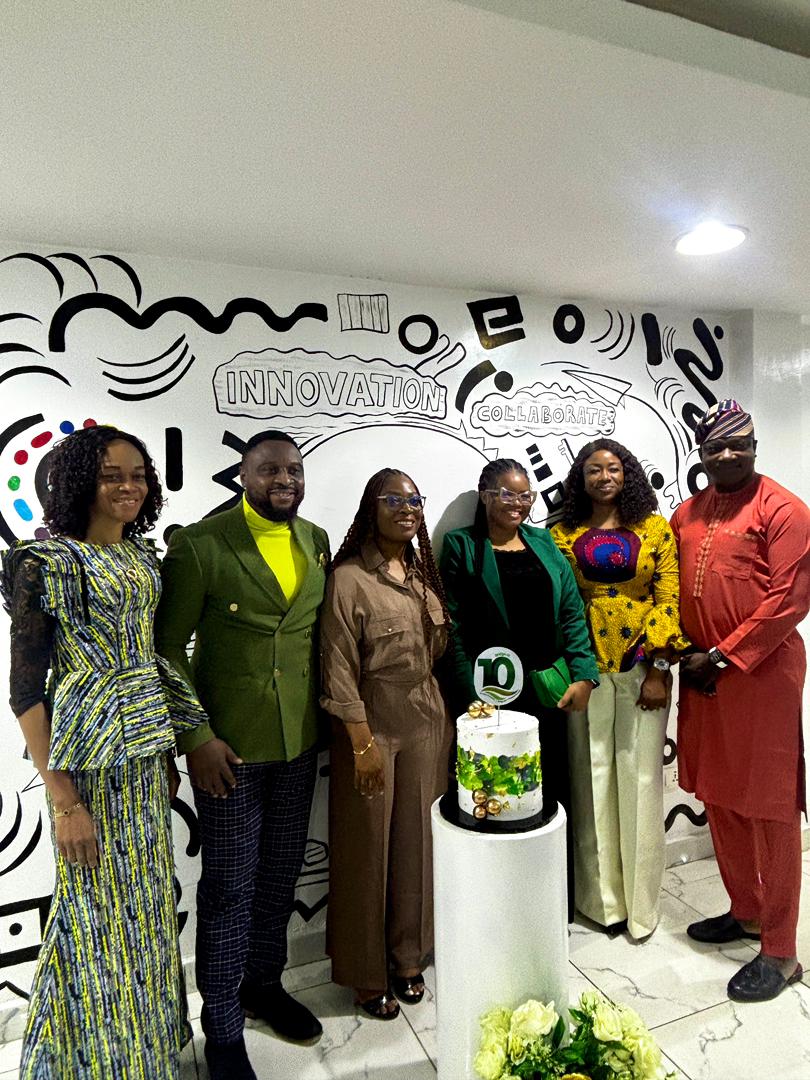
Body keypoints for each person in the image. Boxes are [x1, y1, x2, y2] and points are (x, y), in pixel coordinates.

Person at [1, 425, 207, 1079]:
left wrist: (167, 756)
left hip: (143, 757)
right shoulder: (47, 563)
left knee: (144, 914)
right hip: (86, 769)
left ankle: (135, 1055)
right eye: (112, 474)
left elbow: (147, 660)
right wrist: (64, 801)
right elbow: (25, 691)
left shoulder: (143, 558)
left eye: (138, 475)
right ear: (81, 481)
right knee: (94, 918)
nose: (128, 486)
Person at [155, 430, 330, 1080]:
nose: (284, 480)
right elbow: (167, 649)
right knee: (229, 890)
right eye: (269, 470)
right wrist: (195, 736)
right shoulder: (200, 545)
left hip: (298, 743)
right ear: (243, 476)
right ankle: (223, 1028)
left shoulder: (316, 540)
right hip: (227, 753)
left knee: (280, 876)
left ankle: (264, 985)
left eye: (294, 469)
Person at [672, 399, 810, 1002]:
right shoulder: (686, 513)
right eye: (716, 446)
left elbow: (790, 599)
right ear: (701, 453)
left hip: (761, 675)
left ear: (755, 448)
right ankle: (746, 910)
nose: (728, 454)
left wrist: (724, 657)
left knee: (769, 806)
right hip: (702, 675)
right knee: (718, 792)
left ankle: (780, 951)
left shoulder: (784, 510)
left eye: (739, 444)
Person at [439, 458, 599, 919]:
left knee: (549, 795)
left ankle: (549, 907)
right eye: (507, 494)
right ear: (485, 495)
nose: (518, 503)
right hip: (489, 698)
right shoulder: (462, 546)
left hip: (547, 694)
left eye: (525, 495)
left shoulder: (543, 542)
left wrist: (584, 674)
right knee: (497, 797)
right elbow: (453, 625)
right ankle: (497, 910)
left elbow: (571, 611)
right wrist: (469, 694)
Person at [320, 468, 452, 1020]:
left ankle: (407, 957)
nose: (406, 508)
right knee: (366, 849)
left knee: (418, 844)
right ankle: (366, 974)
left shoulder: (422, 574)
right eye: (392, 499)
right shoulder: (348, 578)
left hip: (426, 720)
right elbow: (337, 667)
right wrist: (360, 742)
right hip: (371, 724)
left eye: (414, 500)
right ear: (370, 509)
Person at [551, 438, 687, 939]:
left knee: (641, 781)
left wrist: (658, 670)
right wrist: (576, 667)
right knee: (590, 782)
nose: (604, 477)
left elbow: (668, 598)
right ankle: (601, 904)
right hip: (584, 669)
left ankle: (641, 908)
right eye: (594, 470)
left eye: (613, 468)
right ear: (580, 479)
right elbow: (563, 604)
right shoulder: (561, 533)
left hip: (641, 669)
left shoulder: (654, 529)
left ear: (627, 474)